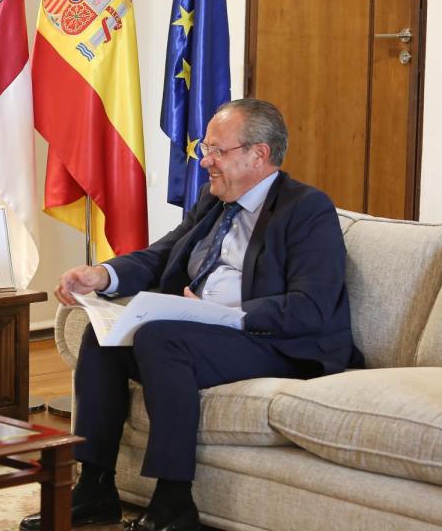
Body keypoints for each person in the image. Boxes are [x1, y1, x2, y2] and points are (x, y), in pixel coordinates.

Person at [20, 99, 363, 531]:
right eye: (206, 148)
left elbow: (310, 307)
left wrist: (221, 313)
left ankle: (174, 502)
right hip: (204, 332)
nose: (205, 161)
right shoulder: (216, 201)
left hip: (276, 342)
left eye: (217, 150)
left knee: (160, 338)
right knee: (104, 336)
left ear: (258, 154)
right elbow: (163, 254)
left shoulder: (307, 209)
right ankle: (95, 488)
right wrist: (102, 275)